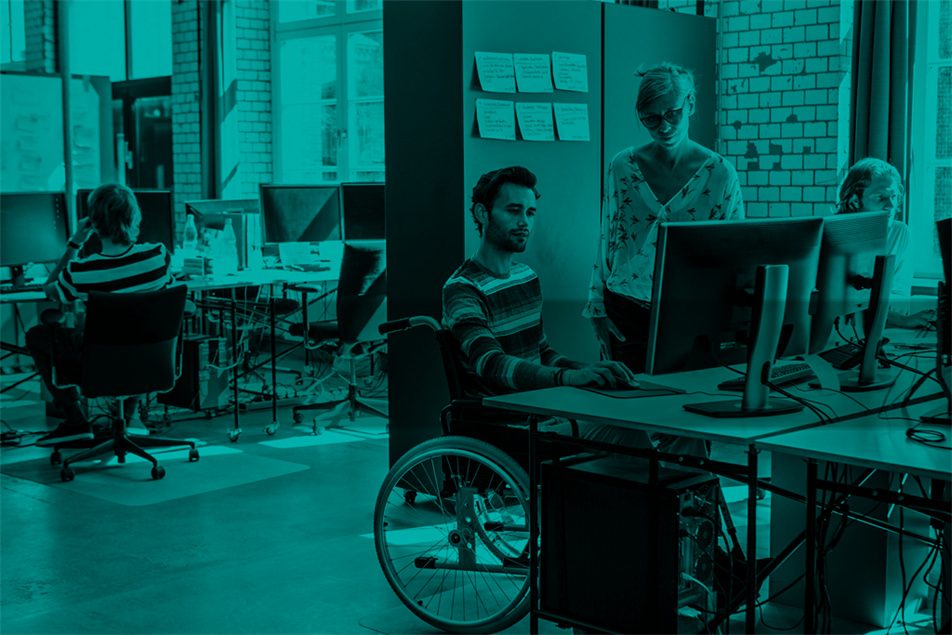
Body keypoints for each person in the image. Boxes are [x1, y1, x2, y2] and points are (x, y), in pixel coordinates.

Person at [444, 165, 685, 461]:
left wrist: (588, 371)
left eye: (530, 213)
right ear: (483, 214)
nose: (524, 222)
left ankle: (695, 505)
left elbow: (542, 352)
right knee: (629, 432)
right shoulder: (462, 288)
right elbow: (490, 363)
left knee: (675, 426)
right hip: (510, 424)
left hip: (546, 410)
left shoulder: (526, 277)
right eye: (513, 211)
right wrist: (568, 379)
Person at [584, 62, 745, 373]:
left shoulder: (720, 174)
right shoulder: (622, 166)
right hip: (625, 308)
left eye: (673, 114)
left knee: (685, 405)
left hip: (692, 312)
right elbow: (606, 239)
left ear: (690, 104)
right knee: (628, 405)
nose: (664, 127)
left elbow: (734, 259)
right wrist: (596, 305)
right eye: (651, 119)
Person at [26, 183, 173, 447]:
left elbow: (50, 287)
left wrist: (75, 242)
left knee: (38, 335)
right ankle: (127, 417)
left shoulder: (81, 271)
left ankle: (76, 420)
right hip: (152, 361)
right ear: (134, 217)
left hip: (102, 362)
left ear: (93, 222)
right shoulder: (158, 256)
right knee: (134, 332)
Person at [834, 157, 933, 329]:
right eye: (880, 197)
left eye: (893, 196)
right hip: (836, 333)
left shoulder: (900, 233)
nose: (891, 205)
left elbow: (899, 297)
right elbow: (836, 307)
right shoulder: (832, 236)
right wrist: (900, 320)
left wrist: (899, 318)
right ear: (855, 201)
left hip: (875, 330)